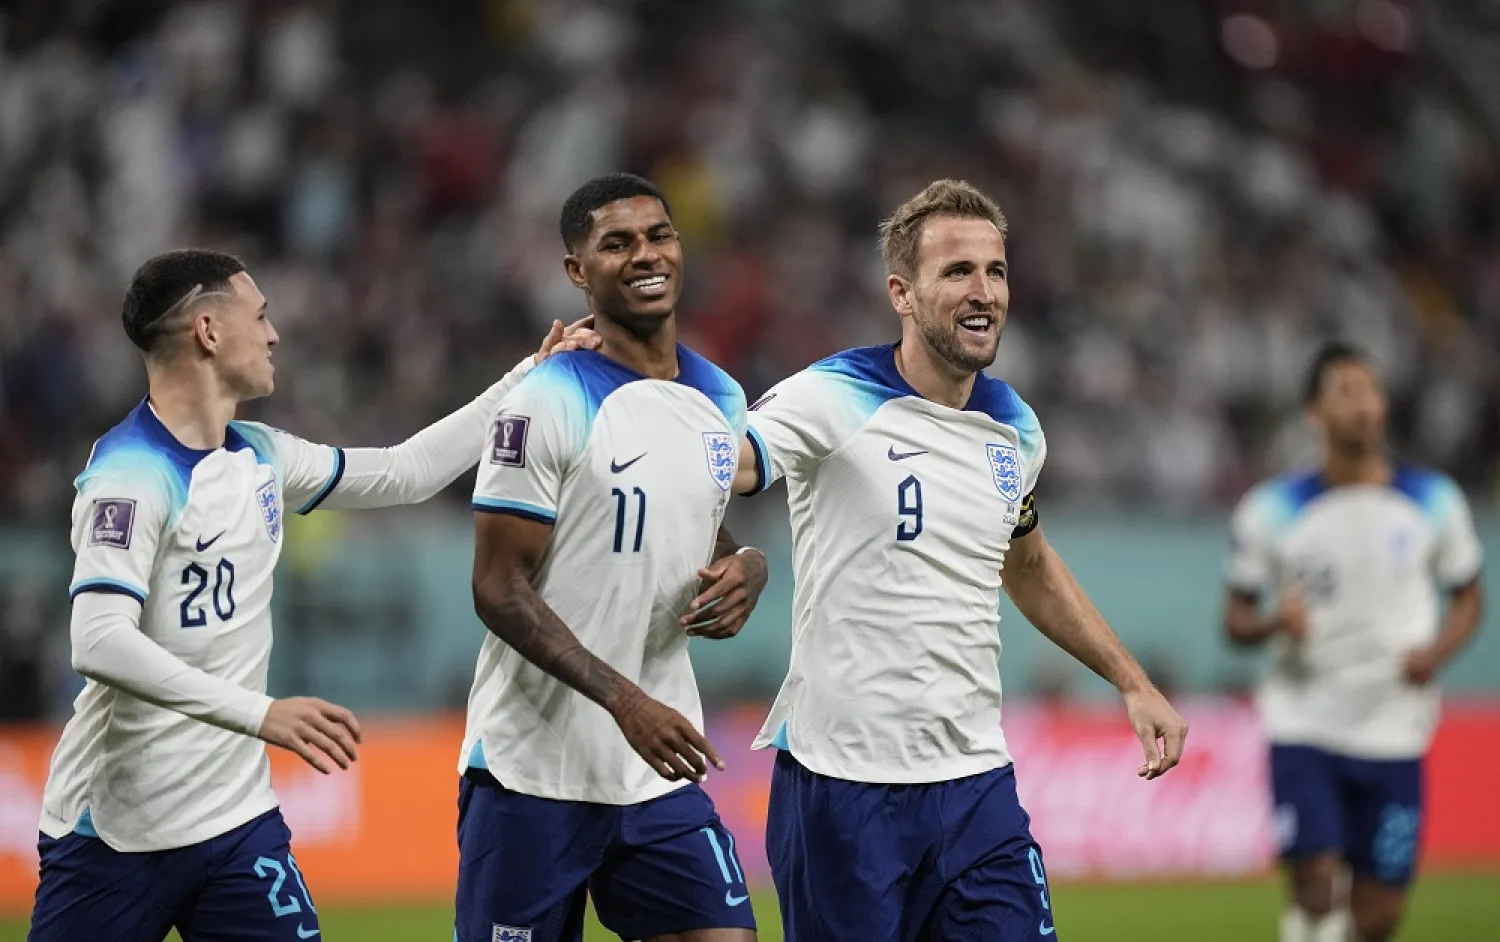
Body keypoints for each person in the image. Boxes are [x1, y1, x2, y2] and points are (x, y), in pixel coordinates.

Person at [29, 248, 599, 942]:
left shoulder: (260, 456)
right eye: (260, 316)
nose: (274, 334)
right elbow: (98, 640)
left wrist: (531, 376)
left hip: (235, 827)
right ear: (208, 331)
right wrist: (261, 714)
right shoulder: (131, 476)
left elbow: (405, 472)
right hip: (113, 835)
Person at [725, 179, 1189, 941]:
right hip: (844, 787)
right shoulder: (831, 396)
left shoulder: (1014, 427)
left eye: (995, 272)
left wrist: (1132, 683)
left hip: (974, 785)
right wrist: (731, 548)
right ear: (902, 293)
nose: (984, 292)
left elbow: (1029, 565)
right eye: (958, 272)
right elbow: (726, 467)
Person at [458, 173, 765, 942]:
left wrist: (747, 564)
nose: (645, 254)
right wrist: (625, 701)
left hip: (655, 775)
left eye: (659, 235)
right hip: (534, 773)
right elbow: (497, 586)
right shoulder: (545, 400)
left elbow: (688, 518)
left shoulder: (721, 395)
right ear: (576, 272)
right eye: (617, 243)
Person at [1224, 342, 1485, 942]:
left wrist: (1437, 652)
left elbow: (1469, 594)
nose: (1363, 405)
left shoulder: (1434, 501)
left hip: (1394, 724)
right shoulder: (1272, 509)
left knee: (1378, 917)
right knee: (1316, 883)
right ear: (1315, 414)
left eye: (1370, 391)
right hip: (1303, 720)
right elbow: (1235, 619)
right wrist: (1274, 625)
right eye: (1345, 392)